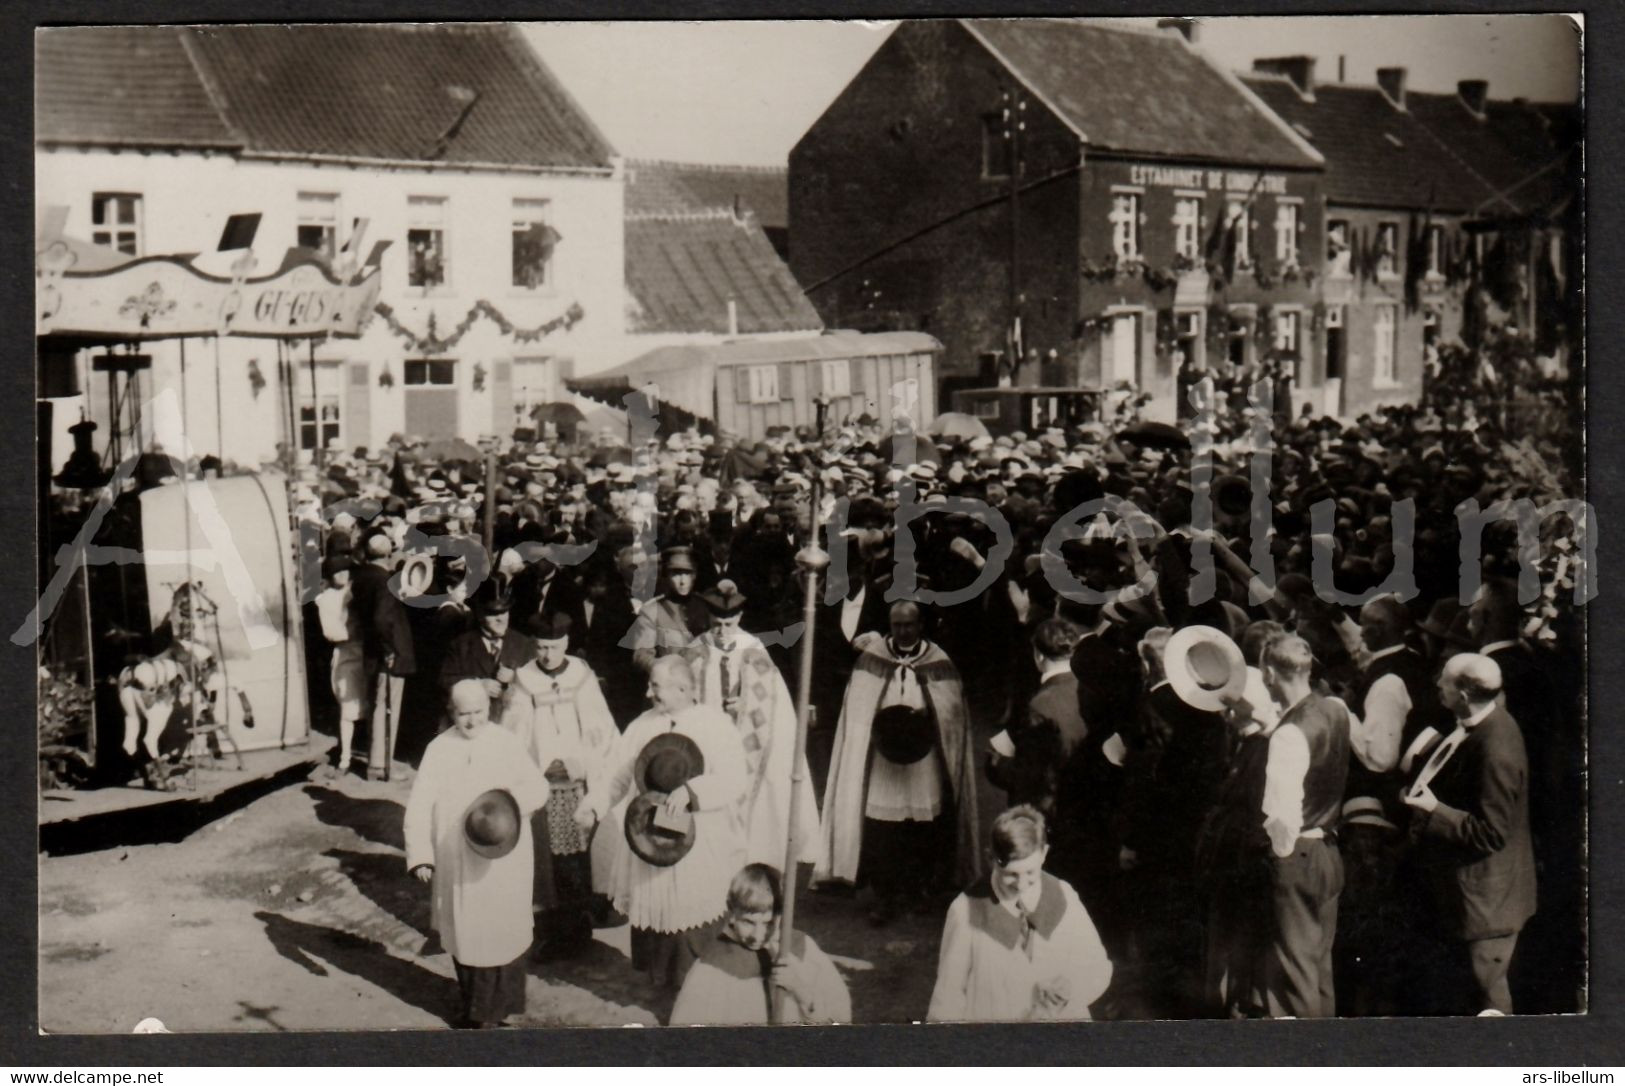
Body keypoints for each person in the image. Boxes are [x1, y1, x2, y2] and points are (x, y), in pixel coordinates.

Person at [576, 656, 749, 991]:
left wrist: (691, 792)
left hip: (698, 836)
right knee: (654, 904)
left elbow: (735, 778)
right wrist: (594, 807)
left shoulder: (714, 725)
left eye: (655, 686)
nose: (648, 691)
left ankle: (696, 985)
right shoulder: (643, 724)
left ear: (683, 688)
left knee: (691, 909)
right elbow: (618, 773)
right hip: (648, 834)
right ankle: (661, 982)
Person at [814, 600, 983, 926]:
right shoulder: (871, 659)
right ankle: (885, 895)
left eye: (909, 625)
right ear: (890, 626)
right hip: (882, 759)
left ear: (920, 626)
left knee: (922, 825)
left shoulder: (939, 662)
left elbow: (952, 714)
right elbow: (857, 711)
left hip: (924, 760)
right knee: (883, 829)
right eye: (897, 625)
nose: (903, 631)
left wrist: (929, 720)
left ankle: (917, 888)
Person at [403, 679, 551, 1028]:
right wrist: (421, 854)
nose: (472, 721)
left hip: (504, 856)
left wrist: (510, 807)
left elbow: (537, 786)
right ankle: (479, 1012)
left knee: (505, 928)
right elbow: (420, 804)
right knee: (469, 931)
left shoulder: (506, 742)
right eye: (464, 714)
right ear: (451, 711)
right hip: (458, 859)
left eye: (479, 712)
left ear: (490, 708)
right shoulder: (439, 749)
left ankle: (506, 1005)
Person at [1404, 653, 1536, 1015]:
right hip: (1468, 900)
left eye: (1444, 680)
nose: (1436, 685)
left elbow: (1492, 833)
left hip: (1486, 908)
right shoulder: (1476, 724)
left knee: (1488, 1003)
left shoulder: (1496, 746)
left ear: (1463, 694)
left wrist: (1435, 810)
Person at [499, 612, 617, 958]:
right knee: (546, 862)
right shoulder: (524, 679)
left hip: (578, 783)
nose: (547, 655)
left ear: (566, 642)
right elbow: (514, 732)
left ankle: (579, 929)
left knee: (577, 860)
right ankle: (552, 930)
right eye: (541, 647)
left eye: (553, 646)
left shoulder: (581, 675)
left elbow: (600, 729)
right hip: (541, 785)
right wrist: (534, 767)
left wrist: (582, 763)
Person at [681, 579, 820, 868]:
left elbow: (771, 700)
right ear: (708, 619)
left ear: (740, 618)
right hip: (707, 737)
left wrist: (744, 705)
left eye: (728, 624)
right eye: (716, 624)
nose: (722, 632)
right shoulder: (695, 650)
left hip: (745, 738)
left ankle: (748, 854)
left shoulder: (754, 649)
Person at [927, 805, 1112, 1022]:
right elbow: (949, 994)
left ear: (1044, 853)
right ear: (991, 858)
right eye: (1011, 874)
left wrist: (1070, 987)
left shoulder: (1063, 896)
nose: (1022, 884)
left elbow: (1097, 964)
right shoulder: (966, 910)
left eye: (1030, 872)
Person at [1255, 633, 1350, 1019]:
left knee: (1293, 977)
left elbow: (1282, 818)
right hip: (1329, 850)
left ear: (1270, 673)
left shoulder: (1288, 734)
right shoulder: (1336, 710)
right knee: (1318, 970)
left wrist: (1280, 862)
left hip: (1298, 858)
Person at [669, 863, 852, 1026]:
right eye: (748, 922)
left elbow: (838, 1023)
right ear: (732, 913)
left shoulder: (801, 949)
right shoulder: (713, 964)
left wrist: (800, 989)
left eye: (768, 923)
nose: (758, 935)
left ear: (782, 916)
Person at [350, 531, 416, 780]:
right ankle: (382, 766)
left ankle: (376, 763)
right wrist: (391, 650)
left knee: (377, 705)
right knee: (388, 709)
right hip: (390, 653)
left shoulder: (362, 576)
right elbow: (382, 619)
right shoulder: (384, 581)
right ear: (388, 555)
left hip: (372, 650)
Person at [313, 554, 365, 777]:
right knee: (348, 709)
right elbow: (331, 632)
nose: (342, 575)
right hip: (346, 656)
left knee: (370, 705)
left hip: (365, 653)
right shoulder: (326, 599)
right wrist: (352, 633)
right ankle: (345, 758)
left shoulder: (355, 590)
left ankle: (370, 754)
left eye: (345, 570)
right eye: (337, 572)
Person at [628, 545, 710, 673]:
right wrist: (668, 669)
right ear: (666, 575)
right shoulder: (651, 612)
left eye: (687, 573)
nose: (682, 581)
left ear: (694, 575)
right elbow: (641, 657)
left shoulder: (707, 607)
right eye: (676, 574)